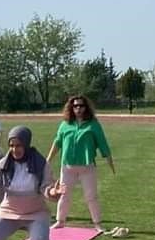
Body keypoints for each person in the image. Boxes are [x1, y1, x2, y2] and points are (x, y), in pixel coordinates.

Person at [46, 94, 115, 232]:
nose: (78, 108)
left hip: (87, 167)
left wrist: (110, 162)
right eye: (75, 106)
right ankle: (60, 221)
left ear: (86, 107)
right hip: (67, 167)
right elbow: (57, 142)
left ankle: (97, 224)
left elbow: (102, 143)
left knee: (91, 196)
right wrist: (48, 160)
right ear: (71, 108)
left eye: (81, 105)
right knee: (64, 195)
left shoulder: (93, 124)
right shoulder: (65, 124)